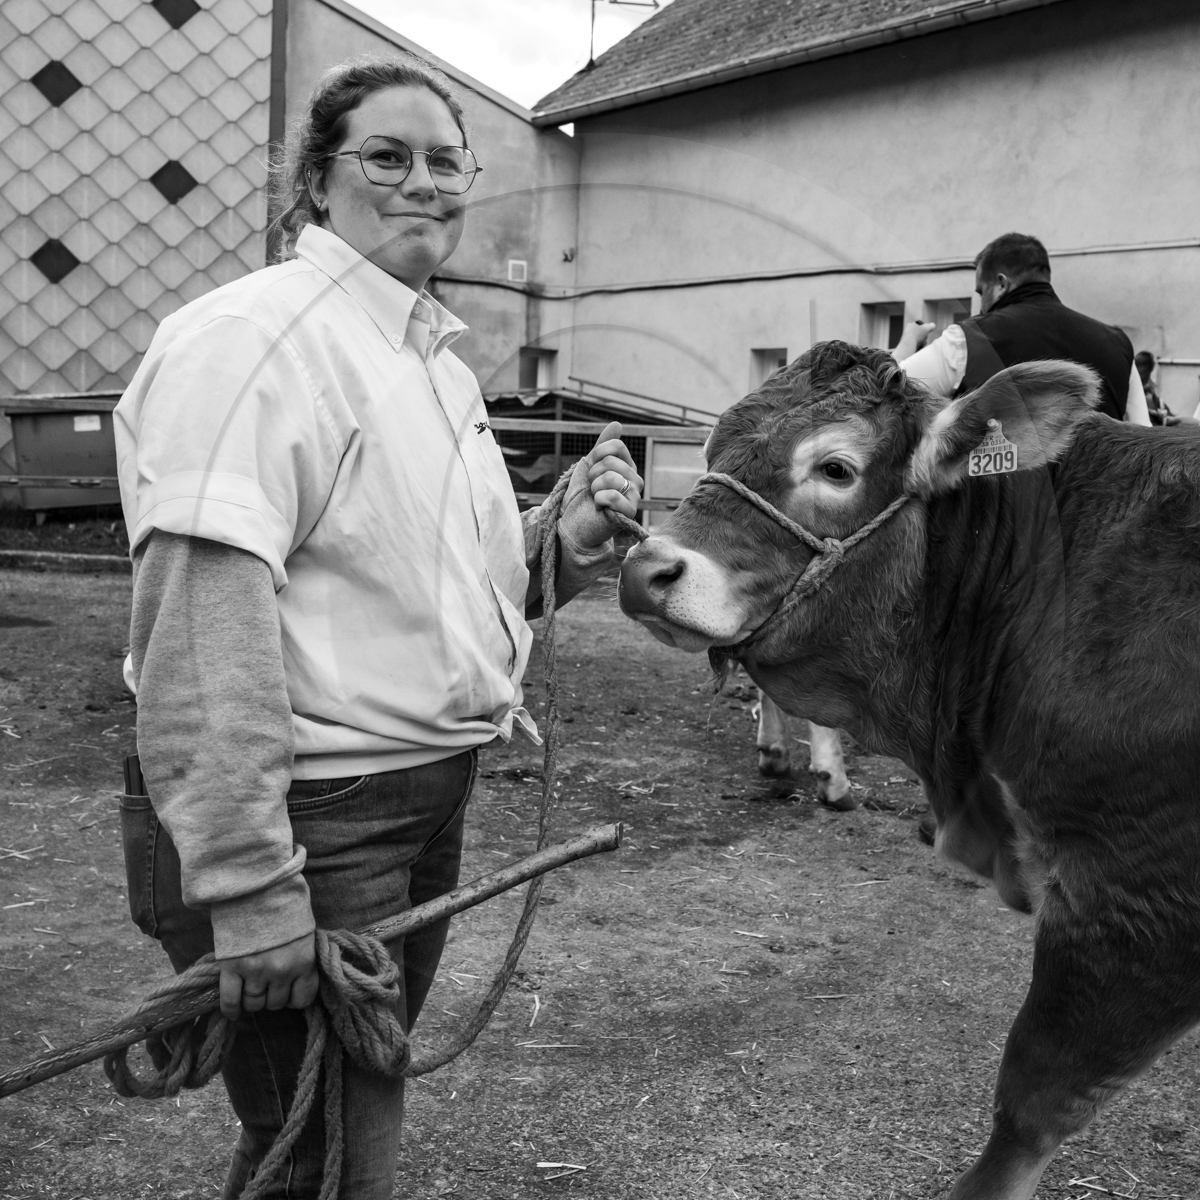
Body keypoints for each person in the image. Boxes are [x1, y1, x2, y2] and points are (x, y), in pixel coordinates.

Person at [113, 54, 643, 1199]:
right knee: (336, 1157)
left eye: (445, 161)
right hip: (314, 816)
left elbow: (430, 588)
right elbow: (202, 622)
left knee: (320, 1143)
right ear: (314, 181)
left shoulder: (429, 362)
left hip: (416, 798)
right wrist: (251, 884)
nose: (423, 183)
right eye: (385, 158)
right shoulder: (250, 342)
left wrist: (563, 547)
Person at [891, 232, 1151, 426]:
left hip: (1000, 499)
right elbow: (1144, 438)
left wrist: (908, 342)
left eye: (982, 292)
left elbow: (882, 394)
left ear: (1001, 284)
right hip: (1095, 499)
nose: (981, 306)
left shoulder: (968, 340)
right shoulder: (1118, 344)